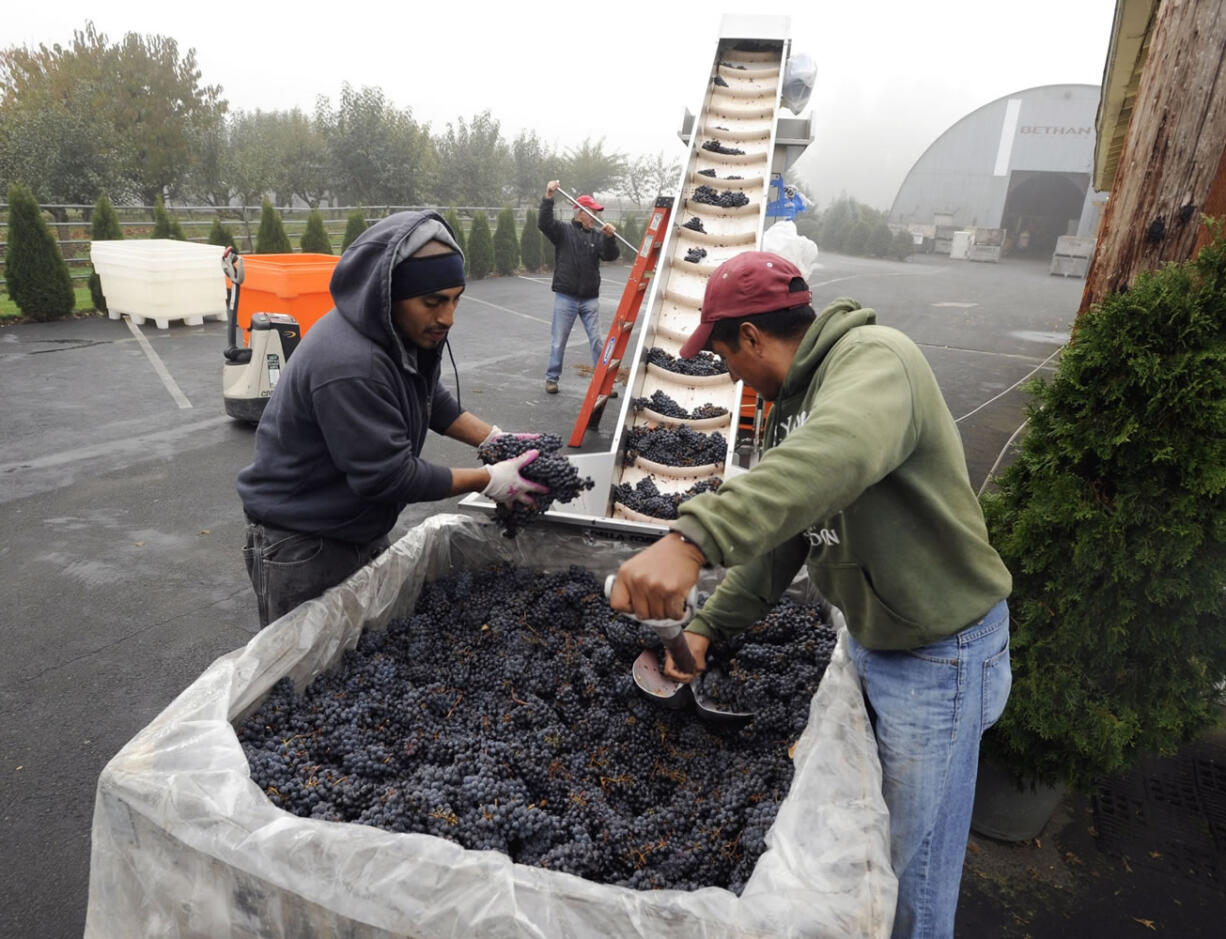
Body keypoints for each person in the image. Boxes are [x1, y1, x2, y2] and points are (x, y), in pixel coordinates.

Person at [608, 251, 1013, 939]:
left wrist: (690, 538)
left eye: (726, 355)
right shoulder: (785, 410)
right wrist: (704, 628)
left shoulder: (876, 361)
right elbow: (782, 543)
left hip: (938, 656)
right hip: (877, 638)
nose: (728, 372)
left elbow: (836, 454)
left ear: (755, 337)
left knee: (909, 876)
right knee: (869, 861)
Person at [237, 210, 546, 628]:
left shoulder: (399, 333)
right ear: (390, 295)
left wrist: (493, 439)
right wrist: (489, 479)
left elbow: (427, 398)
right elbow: (389, 477)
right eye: (433, 302)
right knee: (307, 675)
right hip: (304, 543)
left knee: (367, 653)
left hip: (353, 526)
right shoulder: (351, 364)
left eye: (456, 298)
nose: (447, 318)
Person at [538, 179, 620, 394]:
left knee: (597, 341)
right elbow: (544, 223)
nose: (595, 216)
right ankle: (551, 379)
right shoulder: (563, 232)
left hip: (590, 299)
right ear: (580, 212)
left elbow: (610, 256)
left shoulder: (597, 236)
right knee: (559, 341)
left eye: (597, 212)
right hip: (566, 297)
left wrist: (610, 238)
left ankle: (602, 381)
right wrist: (548, 196)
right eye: (592, 211)